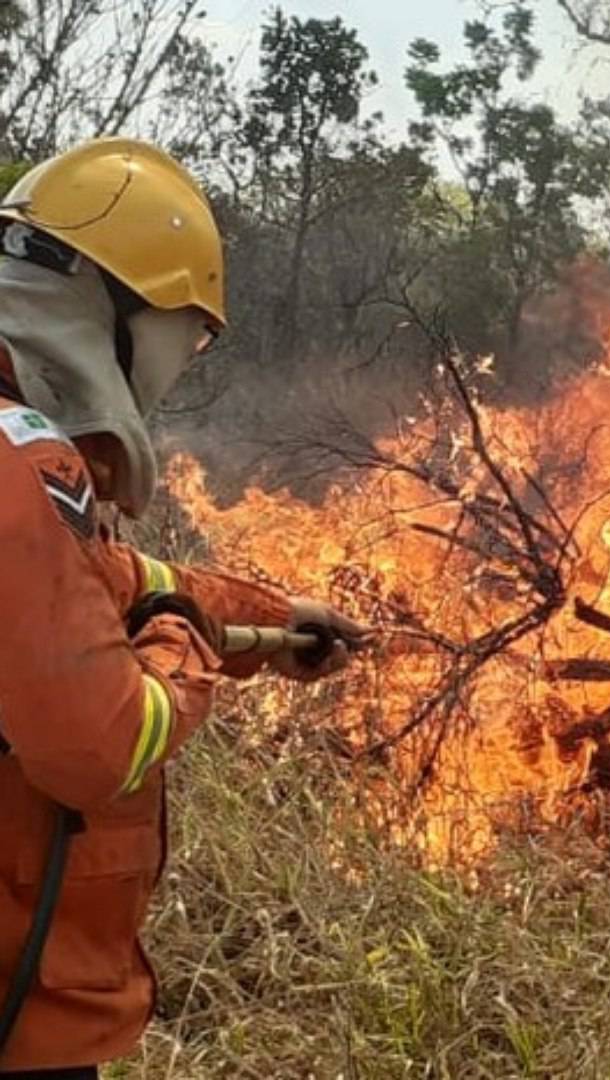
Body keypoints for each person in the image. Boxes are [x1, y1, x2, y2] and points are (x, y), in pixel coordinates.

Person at [0, 138, 366, 1079]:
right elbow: (99, 746)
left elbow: (93, 584)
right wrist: (180, 646)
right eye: (183, 337)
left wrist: (268, 618)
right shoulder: (18, 469)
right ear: (114, 309)